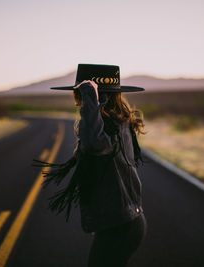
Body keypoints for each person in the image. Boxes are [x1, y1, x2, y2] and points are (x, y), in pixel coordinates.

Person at [33, 64, 148, 267]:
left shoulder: (110, 127)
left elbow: (94, 144)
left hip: (120, 226)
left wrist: (90, 101)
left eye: (80, 93)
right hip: (122, 222)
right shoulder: (114, 123)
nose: (77, 99)